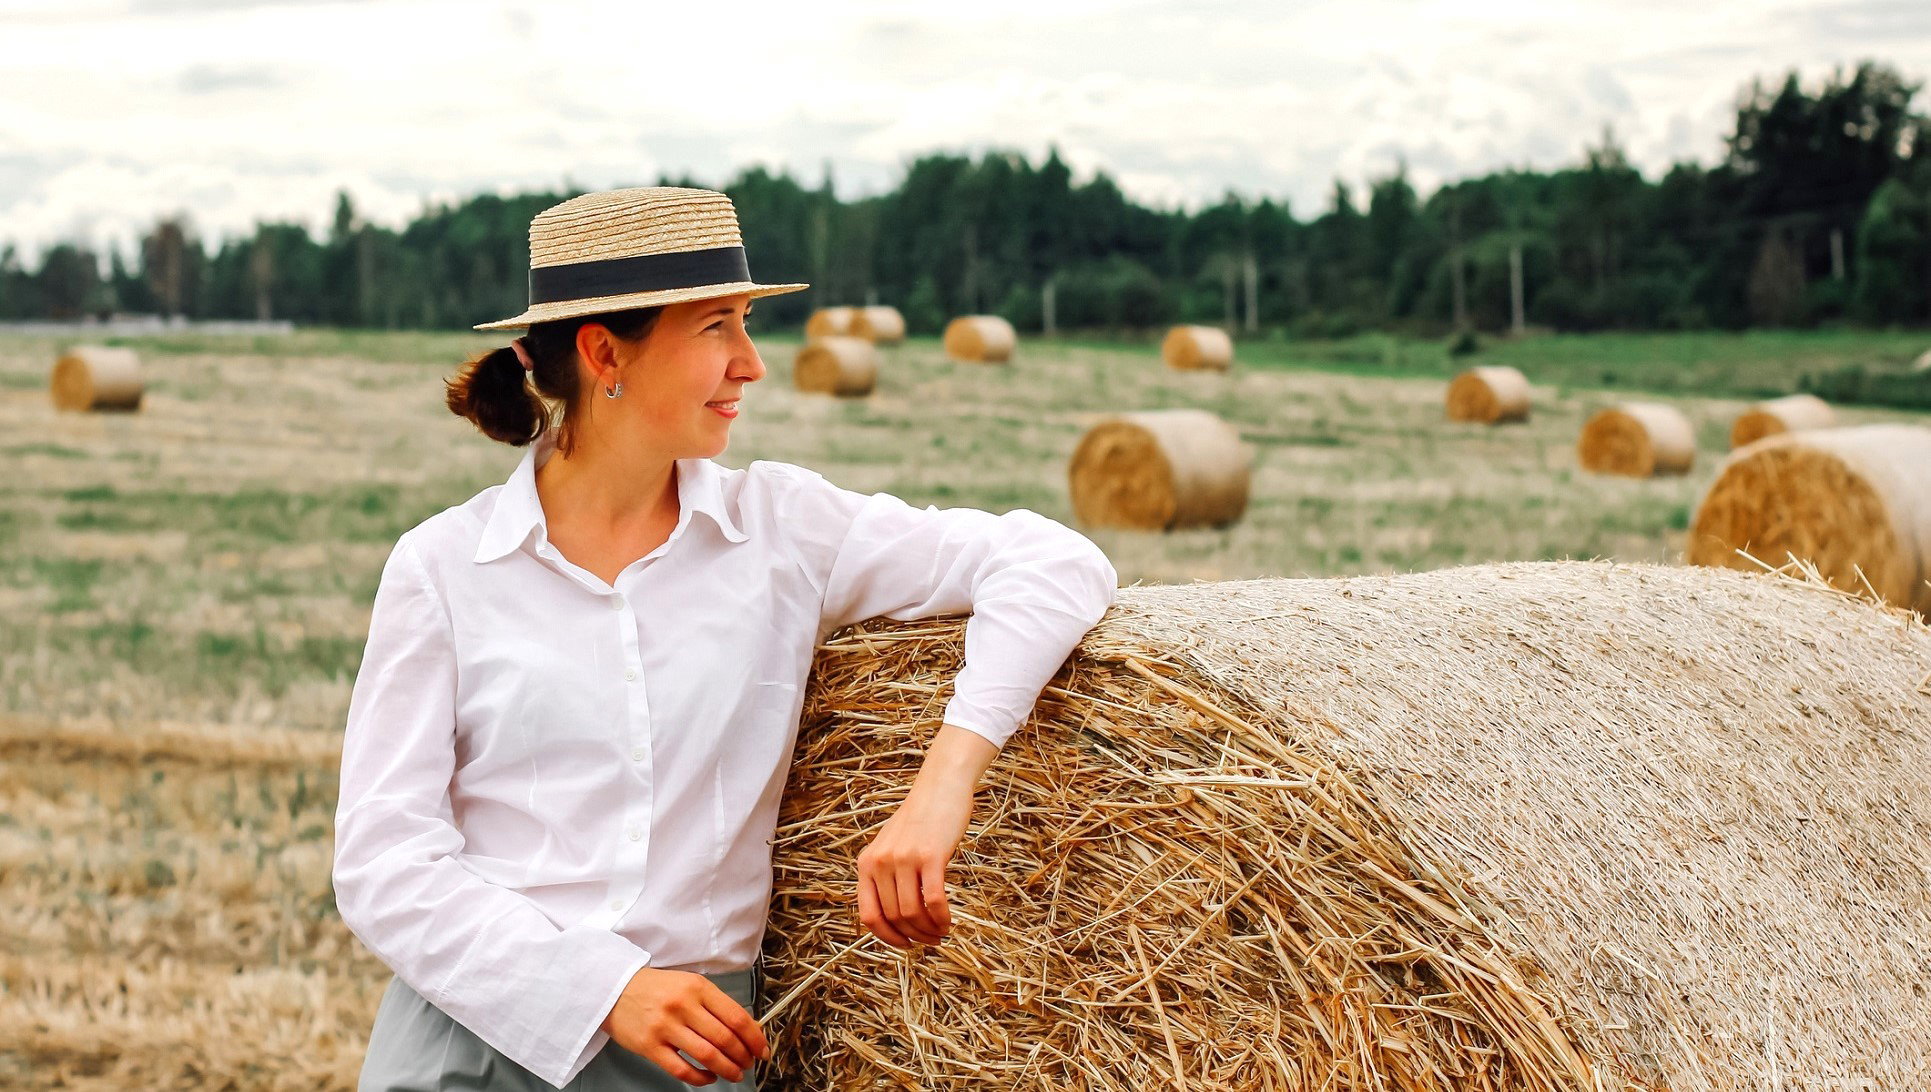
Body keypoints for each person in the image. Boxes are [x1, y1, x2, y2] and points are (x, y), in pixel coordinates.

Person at [331, 186, 1118, 1091]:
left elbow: (1053, 564)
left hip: (691, 1059)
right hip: (466, 1040)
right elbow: (383, 861)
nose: (752, 363)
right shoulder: (443, 566)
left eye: (746, 323)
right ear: (603, 353)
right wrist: (604, 988)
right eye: (716, 327)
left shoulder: (784, 531)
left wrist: (942, 789)